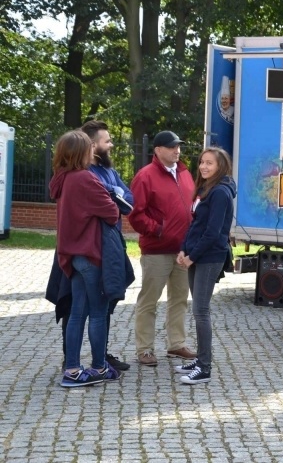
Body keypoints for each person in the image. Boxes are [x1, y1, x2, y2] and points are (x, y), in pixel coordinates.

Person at [49, 130, 122, 387]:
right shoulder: (84, 179)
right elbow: (112, 213)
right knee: (99, 313)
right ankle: (100, 367)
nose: (93, 150)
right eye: (89, 147)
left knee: (77, 313)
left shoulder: (62, 178)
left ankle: (72, 369)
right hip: (91, 254)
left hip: (72, 255)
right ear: (80, 152)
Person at [129, 130, 197, 366]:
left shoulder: (185, 173)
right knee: (149, 301)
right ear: (158, 150)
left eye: (178, 146)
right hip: (156, 250)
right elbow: (135, 214)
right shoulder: (145, 176)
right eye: (171, 147)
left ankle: (176, 345)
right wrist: (158, 230)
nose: (177, 150)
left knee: (179, 299)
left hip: (182, 250)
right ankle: (144, 349)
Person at [173, 147, 236, 385]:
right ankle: (200, 360)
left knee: (201, 312)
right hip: (196, 255)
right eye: (202, 162)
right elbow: (195, 224)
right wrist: (183, 249)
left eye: (210, 163)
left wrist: (192, 256)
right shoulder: (205, 190)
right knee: (199, 311)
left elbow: (212, 232)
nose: (204, 167)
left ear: (221, 166)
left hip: (210, 257)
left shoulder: (220, 192)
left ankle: (205, 368)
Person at [80, 119, 134, 372]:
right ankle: (77, 360)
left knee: (107, 301)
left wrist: (112, 189)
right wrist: (115, 195)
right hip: (91, 248)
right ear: (93, 145)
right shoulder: (81, 173)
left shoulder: (109, 171)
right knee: (80, 308)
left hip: (112, 246)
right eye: (107, 140)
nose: (111, 144)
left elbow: (129, 199)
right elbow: (110, 208)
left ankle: (100, 354)